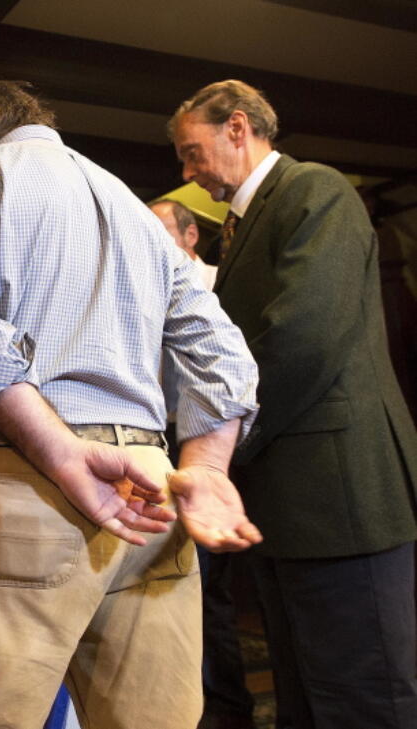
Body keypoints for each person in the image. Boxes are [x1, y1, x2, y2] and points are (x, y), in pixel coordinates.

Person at [0, 76, 262, 729]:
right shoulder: (135, 209)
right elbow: (226, 354)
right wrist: (208, 468)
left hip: (29, 473)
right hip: (154, 488)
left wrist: (65, 453)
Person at [170, 79, 417, 729]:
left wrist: (217, 447)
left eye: (192, 153)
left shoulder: (315, 190)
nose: (189, 174)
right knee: (306, 697)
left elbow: (301, 339)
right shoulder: (243, 224)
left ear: (238, 127)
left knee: (363, 696)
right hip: (290, 506)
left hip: (341, 499)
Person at [151, 198, 254, 729]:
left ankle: (227, 710)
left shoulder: (219, 284)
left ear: (190, 236)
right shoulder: (142, 287)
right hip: (161, 442)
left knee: (209, 586)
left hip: (216, 442)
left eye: (160, 230)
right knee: (173, 578)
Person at [150, 199, 217, 290]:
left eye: (158, 233)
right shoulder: (147, 287)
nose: (150, 244)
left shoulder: (218, 281)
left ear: (191, 235)